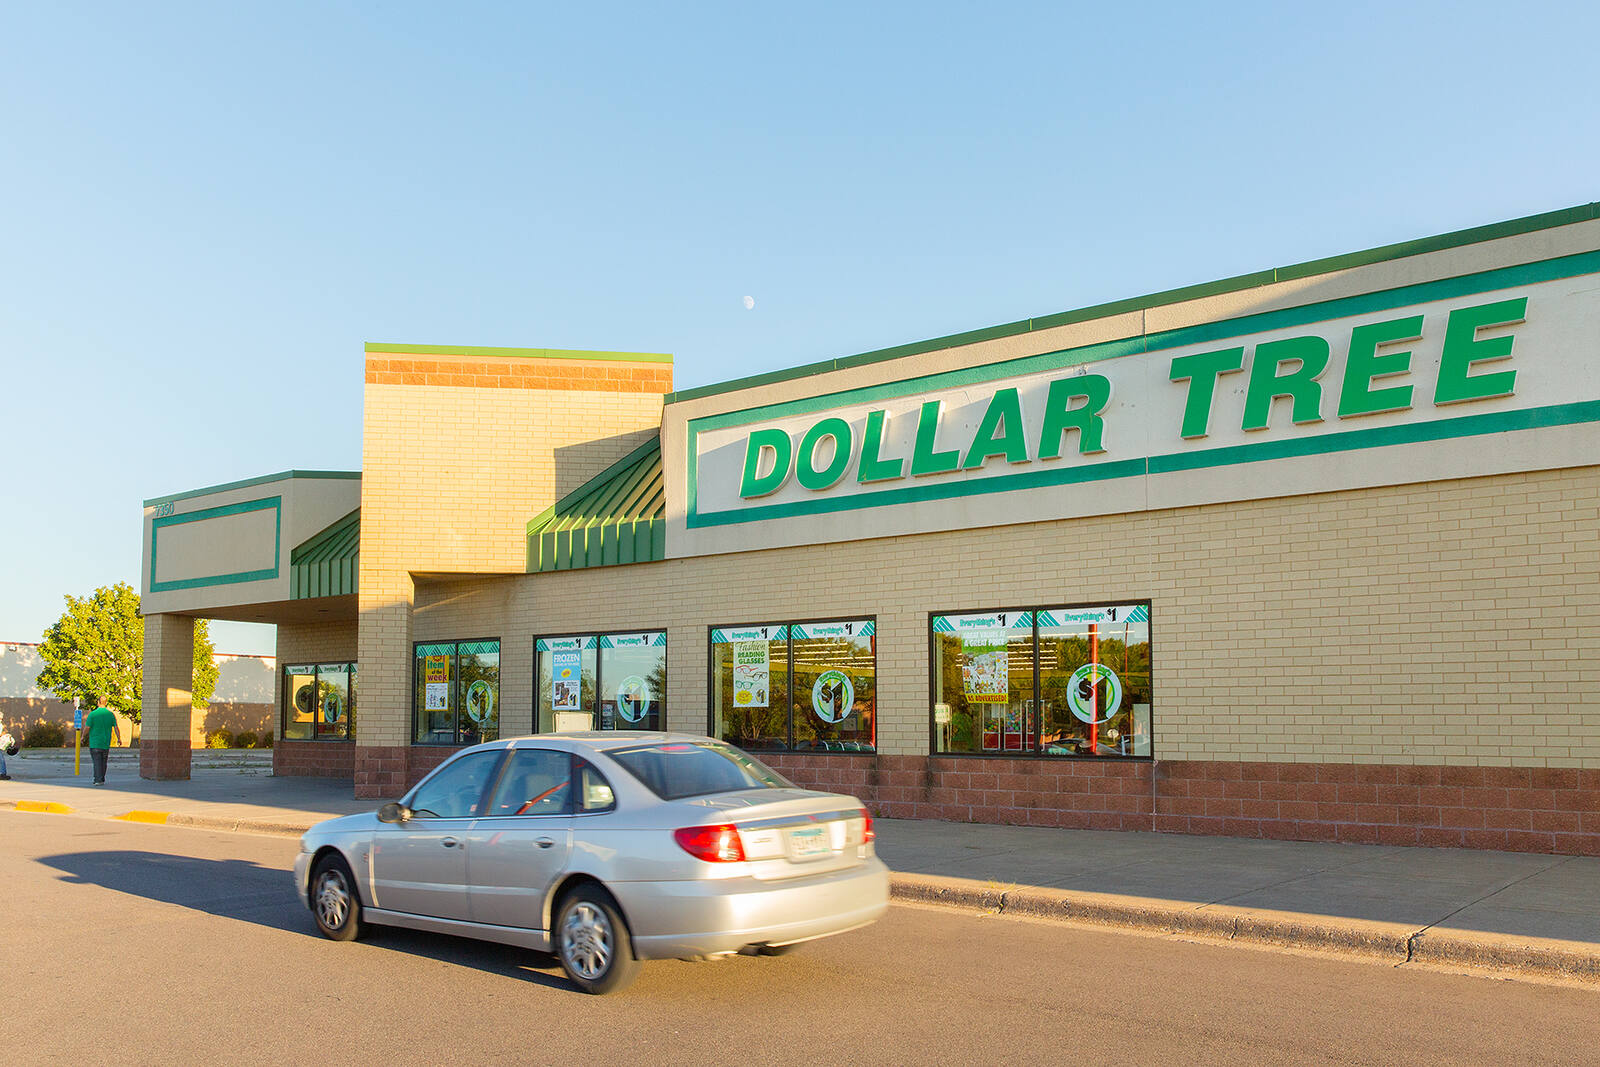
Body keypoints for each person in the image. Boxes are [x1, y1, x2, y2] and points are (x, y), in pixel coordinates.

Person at [79, 696, 121, 786]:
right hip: (105, 742)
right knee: (103, 762)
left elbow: (87, 727)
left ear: (98, 702)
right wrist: (119, 738)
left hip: (95, 742)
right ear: (106, 703)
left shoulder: (93, 714)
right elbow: (116, 727)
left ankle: (97, 779)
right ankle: (101, 778)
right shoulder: (110, 714)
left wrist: (83, 736)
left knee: (97, 761)